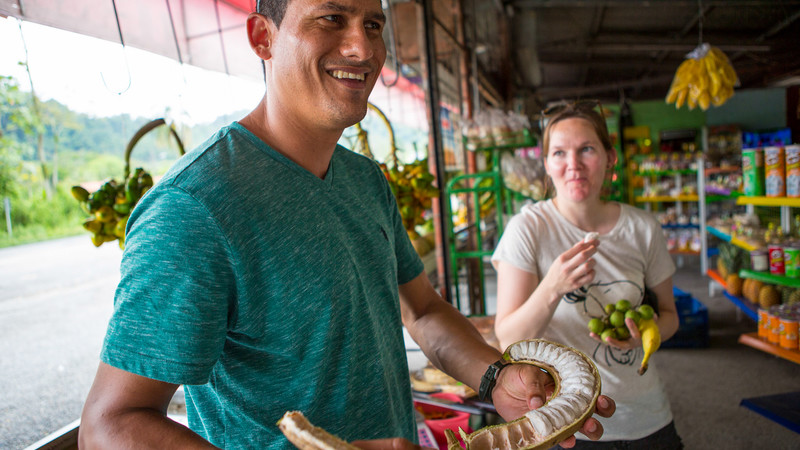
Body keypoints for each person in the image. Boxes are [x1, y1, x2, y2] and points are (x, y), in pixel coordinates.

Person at [78, 2, 615, 449]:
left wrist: (496, 377)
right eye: (331, 19)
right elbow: (109, 425)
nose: (363, 48)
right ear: (263, 37)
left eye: (373, 24)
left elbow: (422, 310)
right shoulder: (195, 207)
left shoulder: (364, 180)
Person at [491, 101, 682, 449]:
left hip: (646, 417)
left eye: (587, 149)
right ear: (546, 164)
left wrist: (643, 336)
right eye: (559, 153)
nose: (573, 164)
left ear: (610, 158)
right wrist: (553, 286)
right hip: (566, 423)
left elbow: (670, 317)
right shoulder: (527, 229)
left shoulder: (642, 228)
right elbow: (508, 340)